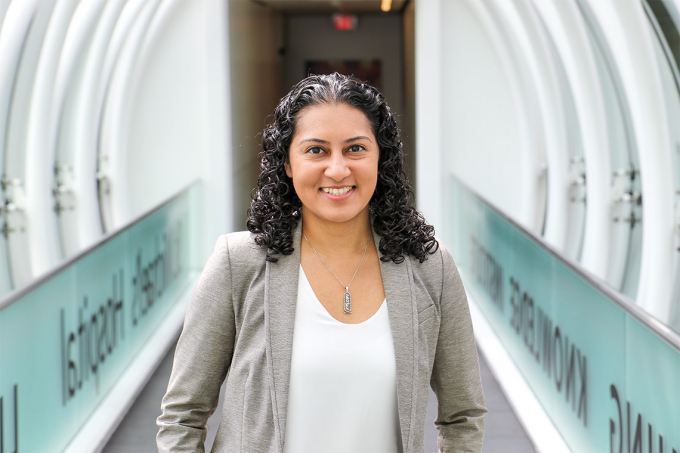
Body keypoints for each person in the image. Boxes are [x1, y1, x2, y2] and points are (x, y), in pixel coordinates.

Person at [156, 73, 486, 453]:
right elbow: (182, 415)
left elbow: (464, 416)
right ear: (288, 163)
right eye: (316, 150)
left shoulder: (431, 267)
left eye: (355, 149)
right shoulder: (239, 263)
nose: (337, 169)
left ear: (381, 158)